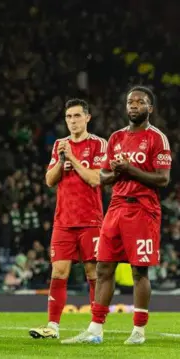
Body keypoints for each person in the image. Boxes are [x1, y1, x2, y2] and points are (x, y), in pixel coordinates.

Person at [63, 86, 172, 345]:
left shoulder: (157, 138)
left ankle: (138, 331)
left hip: (143, 209)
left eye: (140, 102)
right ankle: (95, 330)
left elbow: (163, 179)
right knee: (103, 268)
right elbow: (104, 177)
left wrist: (130, 169)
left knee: (139, 271)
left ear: (150, 108)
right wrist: (116, 172)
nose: (133, 105)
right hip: (116, 208)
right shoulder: (115, 138)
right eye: (130, 102)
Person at [29, 99, 107, 339]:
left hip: (90, 220)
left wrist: (72, 158)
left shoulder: (98, 144)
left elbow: (96, 179)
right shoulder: (59, 146)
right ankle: (52, 327)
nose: (72, 121)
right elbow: (50, 180)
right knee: (58, 273)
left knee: (93, 273)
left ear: (87, 118)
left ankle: (96, 329)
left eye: (76, 116)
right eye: (68, 117)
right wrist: (63, 161)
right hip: (63, 221)